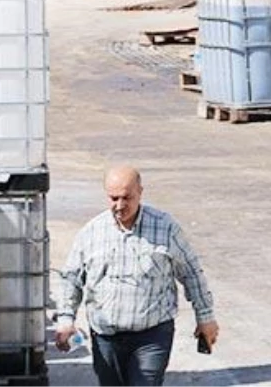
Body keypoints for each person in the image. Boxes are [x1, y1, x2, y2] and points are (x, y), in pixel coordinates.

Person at [55, 166, 219, 387]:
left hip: (152, 335)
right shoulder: (92, 232)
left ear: (140, 192)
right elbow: (71, 279)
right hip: (106, 337)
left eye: (127, 198)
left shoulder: (165, 228)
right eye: (114, 198)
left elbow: (191, 272)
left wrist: (205, 317)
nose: (120, 205)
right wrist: (66, 320)